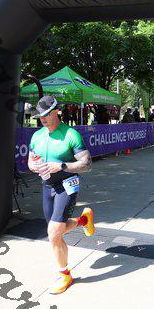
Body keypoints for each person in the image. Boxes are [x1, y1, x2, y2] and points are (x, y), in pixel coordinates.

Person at [27, 95, 95, 294]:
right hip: (47, 185)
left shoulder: (71, 134)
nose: (43, 119)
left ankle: (65, 275)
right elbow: (30, 161)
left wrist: (62, 166)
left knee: (54, 233)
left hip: (67, 185)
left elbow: (87, 164)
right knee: (57, 229)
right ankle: (84, 220)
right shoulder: (37, 136)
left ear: (56, 111)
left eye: (46, 114)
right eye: (40, 116)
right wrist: (34, 166)